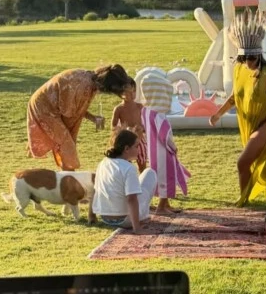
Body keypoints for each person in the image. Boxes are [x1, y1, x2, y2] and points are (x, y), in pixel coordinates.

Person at [209, 9, 266, 205]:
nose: (249, 61)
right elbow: (235, 96)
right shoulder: (239, 68)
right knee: (260, 166)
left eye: (253, 57)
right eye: (246, 57)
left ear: (259, 54)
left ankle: (244, 199)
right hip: (249, 123)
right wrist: (217, 114)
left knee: (243, 162)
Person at [27, 64, 130, 170]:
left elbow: (77, 108)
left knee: (67, 143)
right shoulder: (81, 85)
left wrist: (93, 118)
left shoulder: (91, 81)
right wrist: (66, 139)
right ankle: (69, 174)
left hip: (53, 107)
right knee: (66, 142)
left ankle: (68, 172)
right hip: (44, 107)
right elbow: (69, 113)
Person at [112, 79, 190, 213]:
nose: (131, 94)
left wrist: (141, 129)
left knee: (145, 170)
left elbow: (147, 125)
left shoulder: (141, 108)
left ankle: (151, 200)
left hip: (140, 141)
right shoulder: (119, 109)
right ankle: (144, 200)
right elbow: (113, 126)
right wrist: (124, 130)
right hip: (127, 143)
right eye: (127, 92)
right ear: (121, 94)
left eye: (133, 91)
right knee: (133, 170)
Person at [91, 128, 157, 232]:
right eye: (136, 146)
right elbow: (132, 199)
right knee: (150, 173)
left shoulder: (103, 163)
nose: (139, 150)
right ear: (126, 149)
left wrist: (92, 216)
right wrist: (137, 228)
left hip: (105, 218)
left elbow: (95, 190)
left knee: (135, 185)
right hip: (125, 220)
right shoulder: (128, 168)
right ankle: (140, 217)